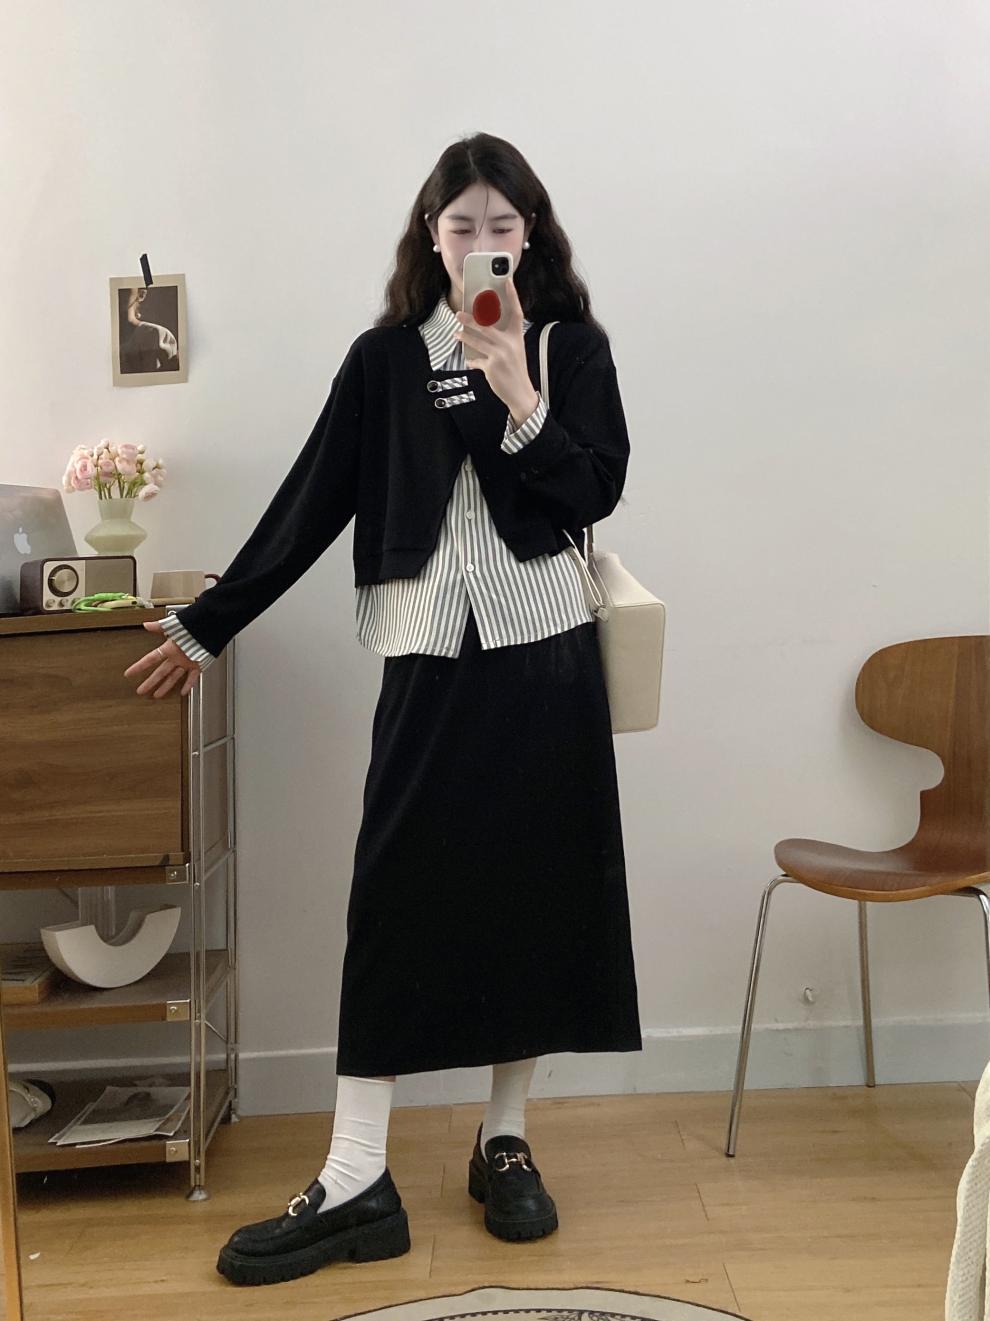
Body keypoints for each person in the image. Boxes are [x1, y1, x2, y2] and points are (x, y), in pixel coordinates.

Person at [123, 131, 642, 1288]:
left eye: (502, 224)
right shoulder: (383, 361)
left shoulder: (569, 347)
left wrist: (518, 395)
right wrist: (210, 622)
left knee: (535, 889)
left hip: (546, 649)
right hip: (425, 648)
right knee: (397, 894)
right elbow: (314, 495)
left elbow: (593, 486)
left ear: (530, 235)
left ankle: (505, 1138)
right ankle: (357, 1170)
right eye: (463, 225)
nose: (483, 242)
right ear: (431, 235)